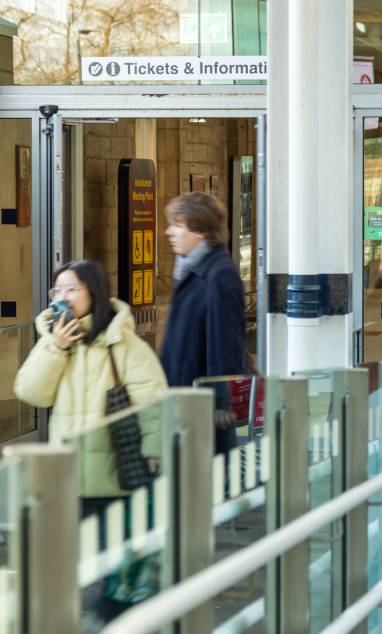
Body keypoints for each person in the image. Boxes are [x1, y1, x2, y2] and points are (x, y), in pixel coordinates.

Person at [14, 259, 167, 621]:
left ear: (93, 293)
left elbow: (154, 404)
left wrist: (153, 456)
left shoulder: (122, 344)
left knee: (115, 562)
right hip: (67, 478)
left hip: (115, 477)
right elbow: (31, 392)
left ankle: (114, 618)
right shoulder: (55, 342)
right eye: (58, 291)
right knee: (65, 564)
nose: (62, 298)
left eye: (72, 289)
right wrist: (55, 347)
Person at [160, 191, 248, 454]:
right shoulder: (190, 270)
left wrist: (220, 406)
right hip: (184, 399)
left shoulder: (219, 275)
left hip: (203, 406)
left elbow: (226, 345)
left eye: (177, 225)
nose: (168, 232)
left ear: (199, 230)